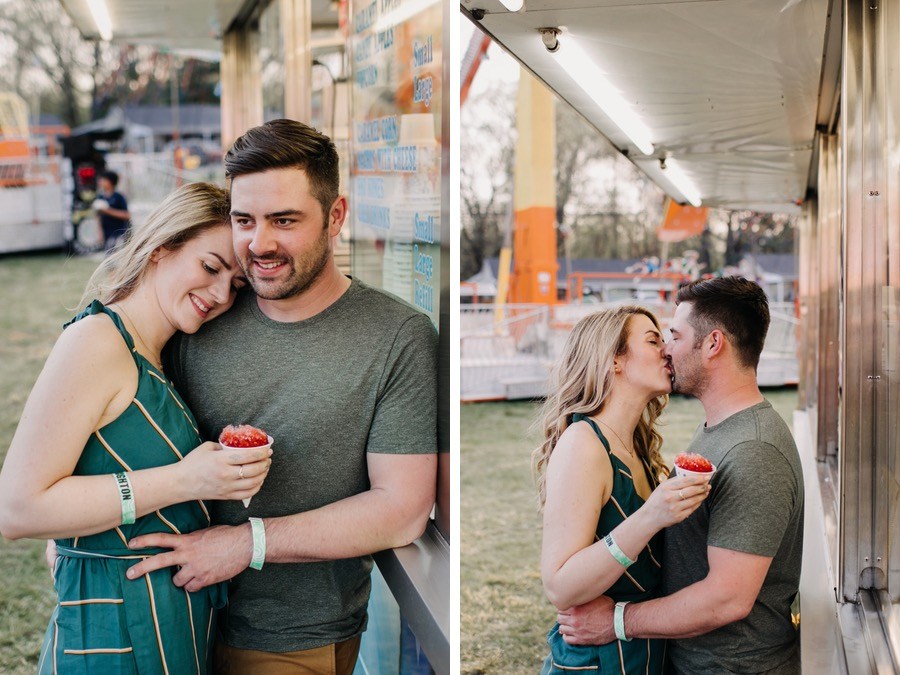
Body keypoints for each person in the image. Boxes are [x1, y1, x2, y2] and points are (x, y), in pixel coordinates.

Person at [123, 119, 438, 674]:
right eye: (244, 221)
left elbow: (402, 509)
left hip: (291, 638)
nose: (259, 244)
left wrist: (246, 543)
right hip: (161, 615)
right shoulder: (203, 306)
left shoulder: (398, 336)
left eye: (284, 221)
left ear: (336, 216)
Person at [0, 182, 273, 674]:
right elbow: (17, 508)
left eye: (234, 285)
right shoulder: (97, 342)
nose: (219, 294)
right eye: (210, 267)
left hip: (165, 630)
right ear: (160, 248)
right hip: (113, 638)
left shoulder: (157, 352)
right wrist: (186, 480)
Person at [557, 277, 804, 674]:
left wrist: (617, 620)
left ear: (712, 344)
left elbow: (728, 599)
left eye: (673, 335)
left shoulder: (753, 448)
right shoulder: (718, 428)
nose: (667, 350)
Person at [533, 306, 711, 674]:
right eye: (652, 340)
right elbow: (560, 586)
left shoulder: (637, 448)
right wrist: (651, 516)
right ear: (613, 360)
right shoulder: (583, 444)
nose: (666, 349)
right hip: (597, 664)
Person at [94, 170, 131, 251]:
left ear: (110, 182)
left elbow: (127, 215)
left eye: (103, 180)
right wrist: (99, 233)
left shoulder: (119, 197)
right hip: (107, 234)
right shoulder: (100, 197)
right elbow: (98, 217)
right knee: (108, 258)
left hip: (119, 234)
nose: (101, 182)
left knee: (117, 257)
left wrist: (107, 210)